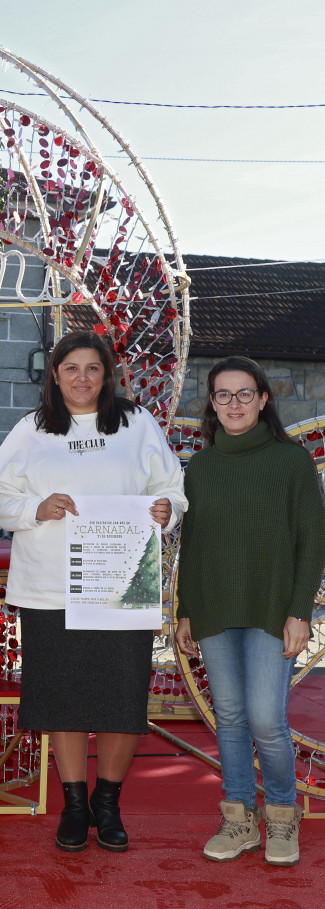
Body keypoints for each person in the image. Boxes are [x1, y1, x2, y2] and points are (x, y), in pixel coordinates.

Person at [0, 330, 186, 853]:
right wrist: (36, 508)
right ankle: (74, 805)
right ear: (54, 375)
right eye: (70, 368)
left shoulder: (136, 423)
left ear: (107, 374)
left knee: (121, 701)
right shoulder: (32, 429)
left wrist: (167, 511)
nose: (82, 378)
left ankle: (108, 803)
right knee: (66, 701)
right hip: (51, 590)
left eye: (92, 368)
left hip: (122, 584)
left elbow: (172, 488)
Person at [175, 356, 325, 866]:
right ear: (212, 405)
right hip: (214, 609)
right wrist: (185, 611)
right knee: (231, 718)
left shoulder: (291, 461)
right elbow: (190, 547)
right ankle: (239, 818)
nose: (233, 403)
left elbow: (312, 541)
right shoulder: (202, 466)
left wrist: (299, 611)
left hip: (271, 609)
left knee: (266, 719)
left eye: (244, 394)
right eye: (223, 395)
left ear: (263, 399)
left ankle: (283, 815)